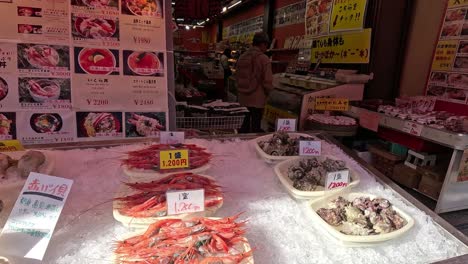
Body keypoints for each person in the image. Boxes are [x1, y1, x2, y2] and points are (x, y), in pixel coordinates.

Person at [235, 32, 273, 133]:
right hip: (257, 99)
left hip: (242, 97)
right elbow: (267, 81)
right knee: (256, 126)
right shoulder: (264, 59)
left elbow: (236, 76)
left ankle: (240, 145)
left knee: (243, 125)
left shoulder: (242, 57)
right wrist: (270, 93)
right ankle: (253, 146)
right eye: (266, 45)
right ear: (263, 44)